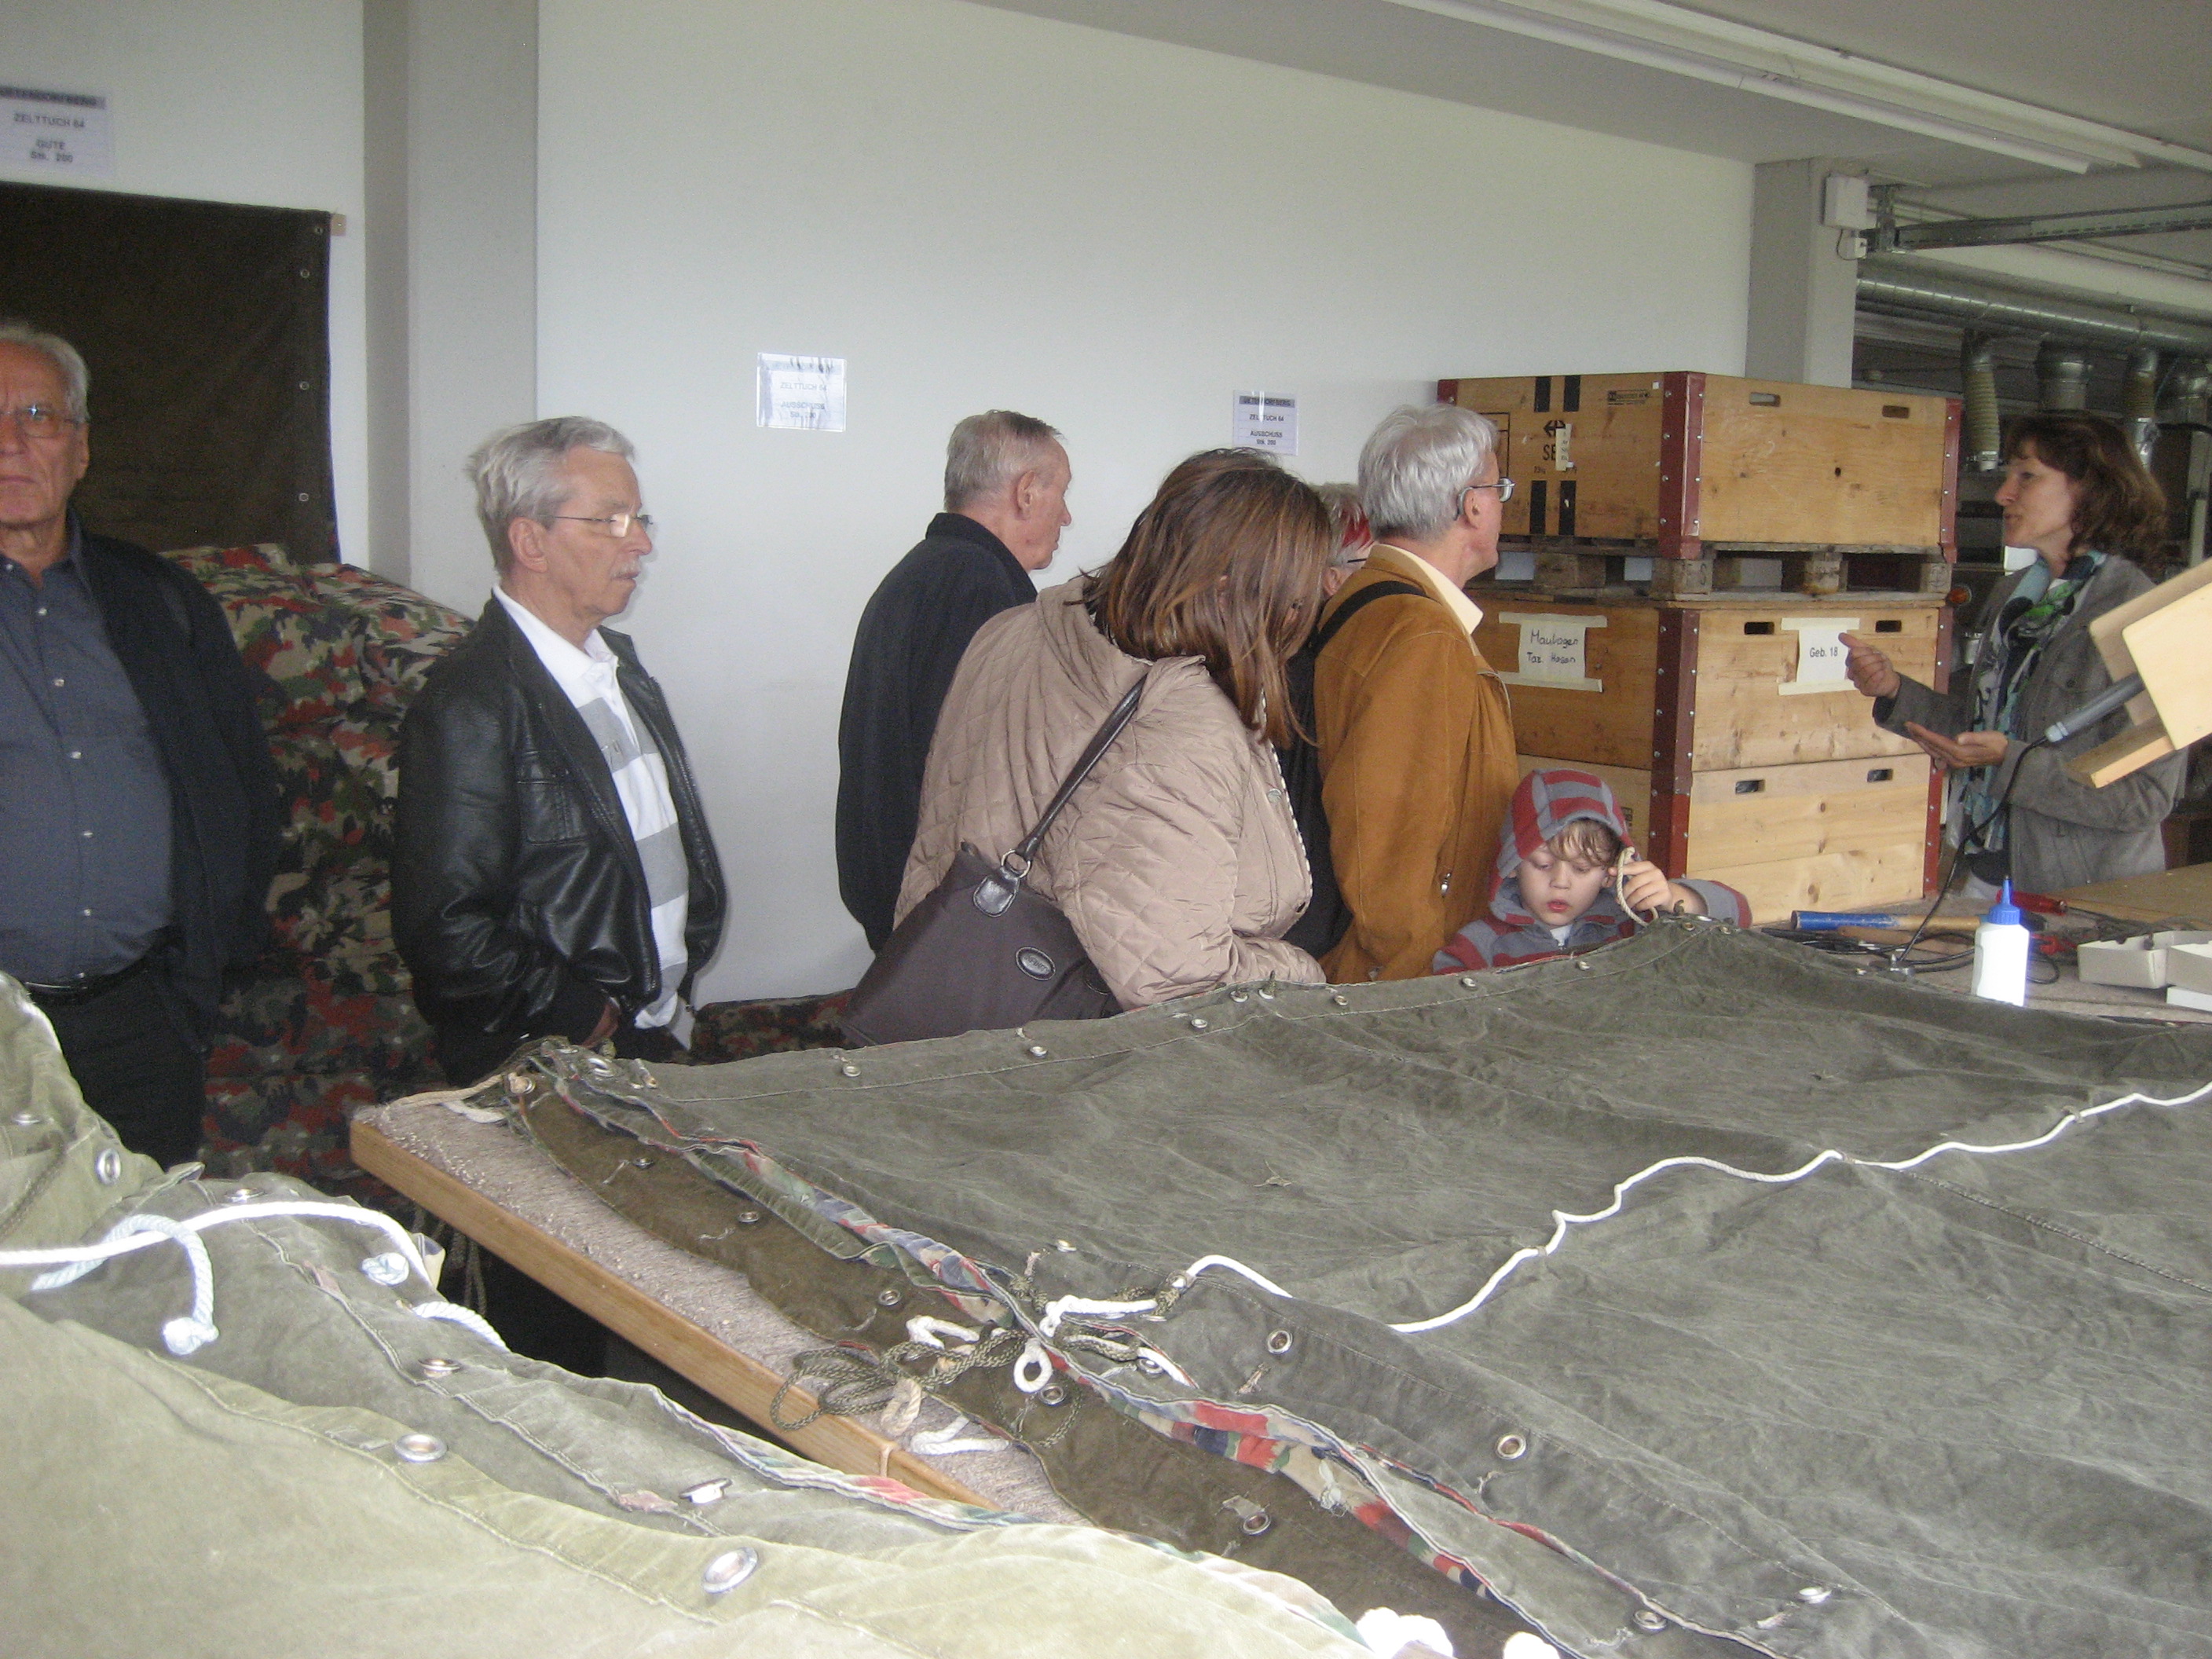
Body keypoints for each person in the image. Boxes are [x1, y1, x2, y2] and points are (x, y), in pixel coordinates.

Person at [899, 449, 1328, 1009]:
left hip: (948, 981)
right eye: (1295, 600)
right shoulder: (1181, 721)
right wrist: (1303, 971)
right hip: (1065, 1039)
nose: (1298, 618)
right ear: (1231, 591)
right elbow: (1174, 977)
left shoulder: (1012, 630)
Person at [0, 320, 280, 1167]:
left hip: (143, 1022)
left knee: (139, 1236)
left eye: (38, 416)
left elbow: (240, 787)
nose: (11, 442)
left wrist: (198, 976)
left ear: (81, 447)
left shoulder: (160, 601)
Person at [394, 417, 725, 1086]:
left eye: (639, 518)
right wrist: (579, 1013)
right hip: (544, 1059)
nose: (641, 542)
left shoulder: (617, 667)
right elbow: (446, 928)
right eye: (611, 520)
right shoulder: (473, 701)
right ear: (530, 542)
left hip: (637, 1036)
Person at [1842, 411, 2185, 894]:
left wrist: (2014, 763)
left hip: (2083, 892)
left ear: (2090, 490)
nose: (2003, 494)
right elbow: (1983, 727)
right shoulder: (2015, 599)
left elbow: (2144, 799)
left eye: (2027, 476)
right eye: (2009, 475)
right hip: (1985, 871)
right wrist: (1895, 691)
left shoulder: (2143, 615)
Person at [837, 411, 1068, 949]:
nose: (1067, 516)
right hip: (942, 904)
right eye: (1061, 493)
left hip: (900, 885)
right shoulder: (979, 588)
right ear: (1027, 493)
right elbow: (983, 774)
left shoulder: (927, 570)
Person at [1313, 405, 1519, 983]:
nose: (1501, 504)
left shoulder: (1371, 600)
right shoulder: (1421, 634)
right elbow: (1386, 842)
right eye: (1499, 488)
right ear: (1472, 505)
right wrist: (1419, 983)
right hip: (1411, 975)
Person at [1435, 769, 1748, 972]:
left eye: (1582, 868)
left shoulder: (1635, 929)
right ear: (1513, 864)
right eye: (1543, 865)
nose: (1560, 882)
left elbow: (1740, 916)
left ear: (1610, 873)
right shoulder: (1478, 949)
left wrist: (1673, 897)